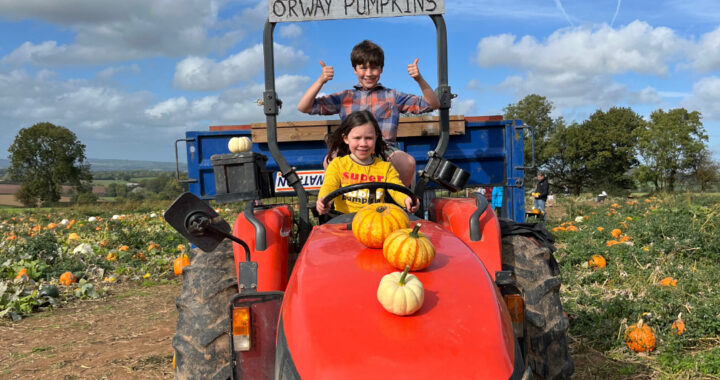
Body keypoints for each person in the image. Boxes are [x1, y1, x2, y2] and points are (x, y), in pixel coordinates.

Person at [297, 40, 440, 187]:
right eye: (363, 68)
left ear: (381, 69)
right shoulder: (344, 97)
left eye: (374, 68)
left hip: (385, 150)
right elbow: (304, 107)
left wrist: (419, 79)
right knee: (330, 159)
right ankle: (339, 201)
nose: (369, 73)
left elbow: (432, 104)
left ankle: (398, 202)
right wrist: (321, 81)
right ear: (354, 69)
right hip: (352, 149)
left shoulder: (393, 96)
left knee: (407, 162)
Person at [316, 110, 420, 215]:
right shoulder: (337, 165)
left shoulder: (385, 167)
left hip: (376, 221)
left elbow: (397, 189)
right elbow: (329, 186)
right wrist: (324, 201)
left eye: (369, 138)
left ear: (376, 137)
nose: (363, 144)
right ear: (346, 139)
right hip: (344, 221)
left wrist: (407, 199)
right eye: (357, 138)